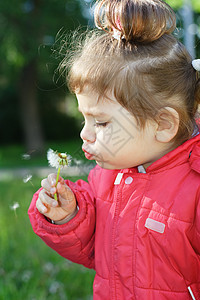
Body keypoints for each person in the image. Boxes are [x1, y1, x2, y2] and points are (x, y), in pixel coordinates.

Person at [28, 0, 200, 299]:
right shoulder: (105, 180)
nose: (85, 133)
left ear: (163, 124)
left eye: (103, 123)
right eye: (85, 118)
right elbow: (94, 250)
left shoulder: (194, 190)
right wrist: (68, 217)